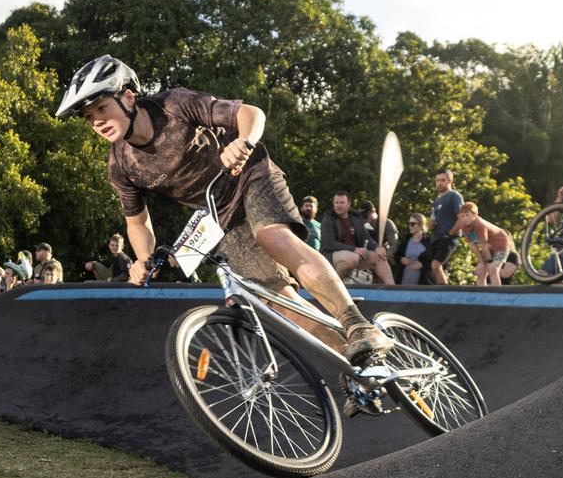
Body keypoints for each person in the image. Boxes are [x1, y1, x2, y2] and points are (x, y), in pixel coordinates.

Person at [55, 54, 393, 365]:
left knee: (272, 237)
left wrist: (243, 142)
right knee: (274, 298)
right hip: (222, 217)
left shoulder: (173, 105)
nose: (97, 122)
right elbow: (137, 221)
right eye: (88, 117)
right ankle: (356, 360)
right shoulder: (121, 164)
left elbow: (251, 114)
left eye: (101, 108)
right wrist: (142, 260)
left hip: (251, 177)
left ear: (128, 97)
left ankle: (358, 326)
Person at [319, 192, 395, 285]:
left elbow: (365, 237)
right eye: (336, 203)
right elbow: (329, 243)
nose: (338, 205)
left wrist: (377, 247)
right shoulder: (328, 219)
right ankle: (331, 285)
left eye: (342, 203)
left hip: (354, 254)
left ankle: (393, 289)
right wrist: (353, 249)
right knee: (353, 258)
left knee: (379, 257)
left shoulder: (355, 217)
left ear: (349, 204)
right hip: (331, 256)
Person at [452, 202, 515, 286]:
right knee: (480, 271)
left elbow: (483, 246)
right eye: (462, 216)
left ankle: (497, 295)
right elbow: (472, 245)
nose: (465, 219)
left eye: (467, 215)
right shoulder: (464, 226)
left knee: (492, 269)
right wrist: (481, 262)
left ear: (475, 215)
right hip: (489, 247)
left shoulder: (480, 225)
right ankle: (482, 295)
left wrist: (488, 262)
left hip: (502, 245)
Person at [428, 169, 463, 285]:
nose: (439, 183)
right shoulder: (436, 201)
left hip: (448, 238)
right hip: (436, 238)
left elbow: (462, 218)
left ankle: (445, 295)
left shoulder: (454, 196)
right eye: (437, 180)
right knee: (436, 270)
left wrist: (450, 233)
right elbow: (434, 222)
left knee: (436, 265)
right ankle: (441, 299)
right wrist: (431, 225)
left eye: (443, 180)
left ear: (450, 181)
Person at [393, 213, 432, 285]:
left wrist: (422, 265)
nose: (410, 226)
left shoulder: (428, 242)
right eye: (409, 223)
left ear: (421, 224)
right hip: (403, 283)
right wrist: (401, 259)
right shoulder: (406, 240)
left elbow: (433, 262)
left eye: (412, 224)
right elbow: (396, 256)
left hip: (421, 286)